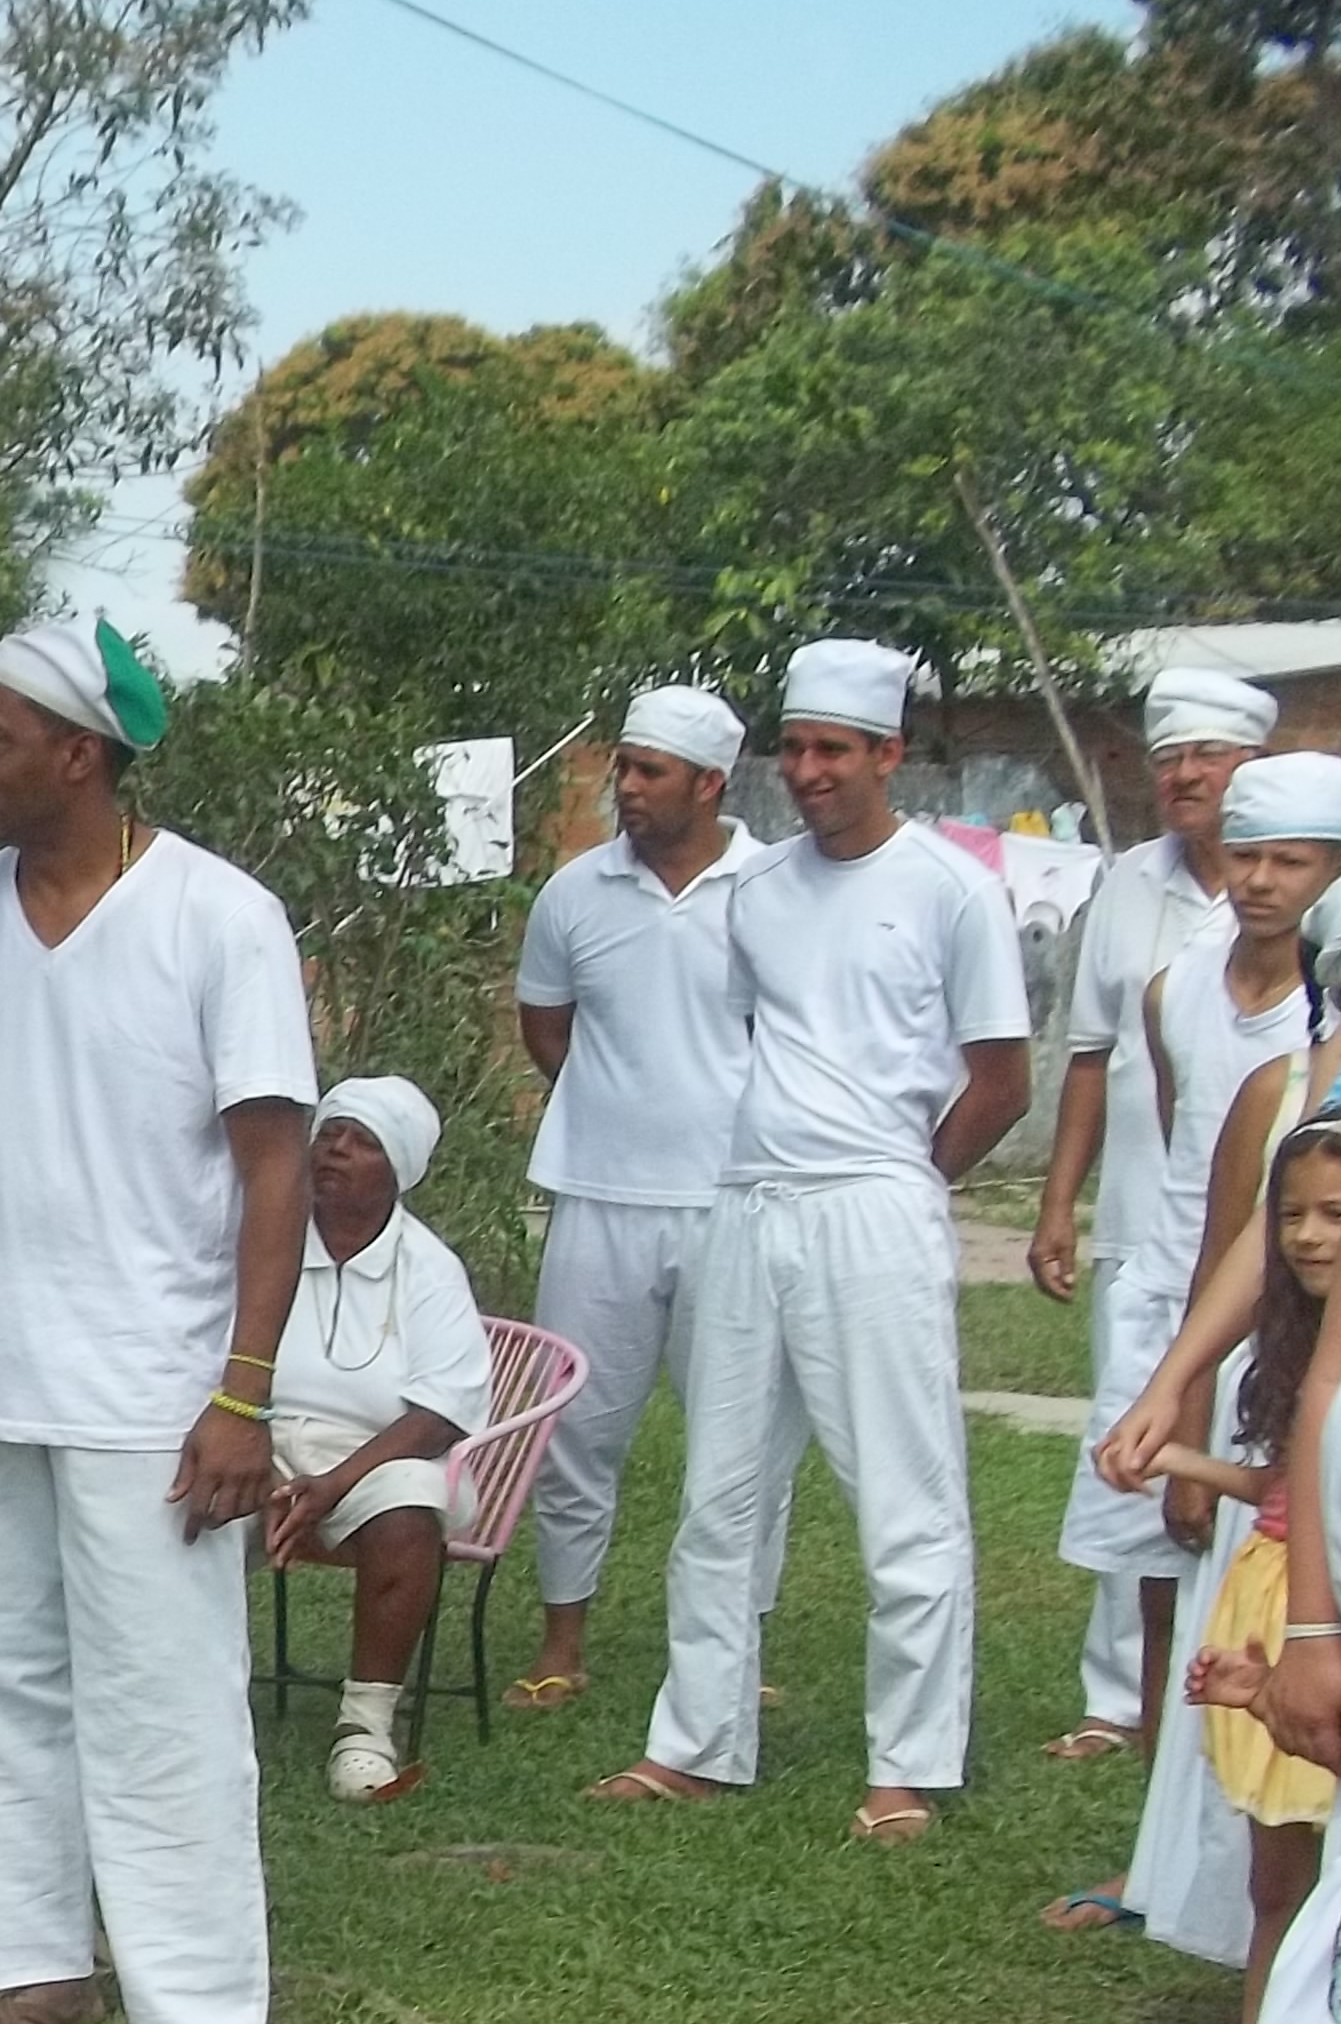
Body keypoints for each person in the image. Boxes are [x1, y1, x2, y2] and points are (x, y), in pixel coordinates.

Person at [0, 615, 313, 2024]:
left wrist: (242, 1392)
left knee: (166, 1698)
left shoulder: (218, 920)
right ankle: (36, 1966)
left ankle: (203, 2023)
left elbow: (274, 1163)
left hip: (151, 1388)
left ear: (84, 754)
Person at [592, 637, 1031, 1842]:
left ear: (888, 754)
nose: (809, 770)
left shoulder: (953, 889)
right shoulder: (760, 891)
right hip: (746, 1204)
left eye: (833, 749)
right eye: (793, 747)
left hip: (873, 1207)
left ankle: (908, 1765)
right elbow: (750, 1043)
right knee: (719, 1494)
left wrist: (904, 1175)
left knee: (904, 1493)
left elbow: (1000, 1079)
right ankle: (697, 1742)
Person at [1078, 764, 1341, 1959]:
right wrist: (1170, 1391)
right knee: (1270, 1762)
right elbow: (1239, 1250)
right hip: (1311, 1450)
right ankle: (1270, 2010)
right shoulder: (1297, 1085)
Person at [506, 684, 770, 1716]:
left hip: (734, 1203)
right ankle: (561, 1638)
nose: (625, 787)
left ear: (710, 784)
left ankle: (731, 1648)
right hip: (598, 1196)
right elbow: (546, 1029)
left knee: (738, 1434)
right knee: (577, 1428)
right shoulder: (573, 895)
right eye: (622, 766)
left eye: (647, 771)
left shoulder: (770, 888)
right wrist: (620, 1108)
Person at [1112, 1125, 1341, 2024]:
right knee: (1278, 1881)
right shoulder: (1294, 1341)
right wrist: (1176, 1446)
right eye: (1291, 1214)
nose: (1307, 1237)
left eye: (1333, 1217)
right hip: (1271, 1602)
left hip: (1316, 1608)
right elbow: (1278, 1482)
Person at [1036, 669, 1268, 1760]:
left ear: (1250, 769)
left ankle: (1233, 1670)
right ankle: (1118, 1700)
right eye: (1169, 757)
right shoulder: (1126, 883)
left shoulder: (1295, 892)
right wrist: (1056, 1205)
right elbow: (1089, 1055)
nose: (1183, 775)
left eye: (1206, 757)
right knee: (1130, 1438)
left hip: (1272, 1227)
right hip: (1144, 1215)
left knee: (1246, 1439)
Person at [263, 1076, 492, 1803]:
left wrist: (333, 1484)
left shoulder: (430, 1271)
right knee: (173, 1490)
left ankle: (364, 1730)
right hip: (259, 1434)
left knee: (408, 1515)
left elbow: (441, 1414)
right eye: (328, 1135)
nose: (335, 1152)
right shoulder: (262, 1240)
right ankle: (178, 1701)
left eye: (360, 1143)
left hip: (381, 1452)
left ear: (398, 1169)